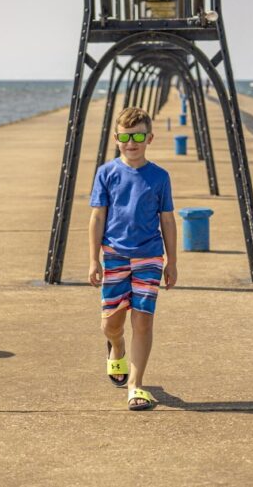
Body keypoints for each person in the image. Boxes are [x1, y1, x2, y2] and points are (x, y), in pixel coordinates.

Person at [88, 106, 177, 411]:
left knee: (143, 320)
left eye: (139, 135)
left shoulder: (160, 177)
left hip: (149, 256)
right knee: (111, 323)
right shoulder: (106, 173)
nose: (132, 142)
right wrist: (93, 259)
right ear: (116, 138)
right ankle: (116, 346)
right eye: (126, 137)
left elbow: (167, 220)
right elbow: (97, 217)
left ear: (149, 138)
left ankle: (135, 386)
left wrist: (172, 262)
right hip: (113, 255)